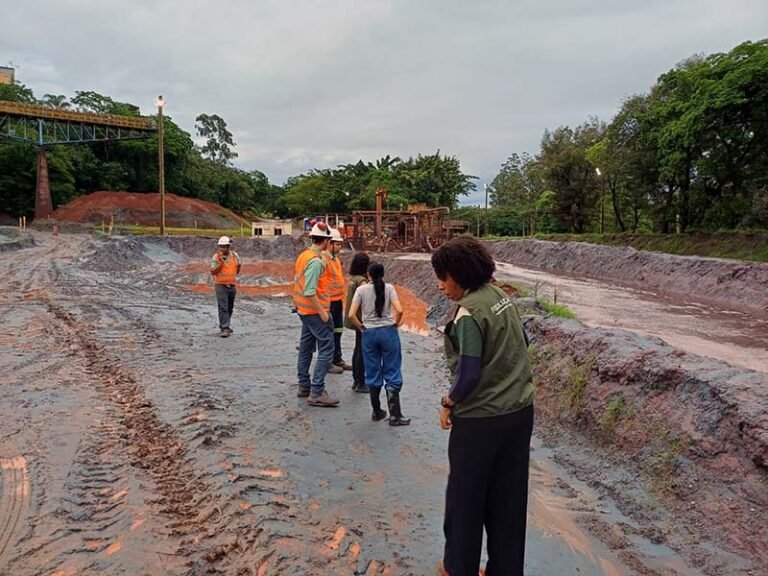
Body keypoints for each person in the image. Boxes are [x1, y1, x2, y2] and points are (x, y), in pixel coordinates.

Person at [431, 236, 534, 576]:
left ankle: (458, 566)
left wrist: (448, 402)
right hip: (519, 413)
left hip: (480, 422)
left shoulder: (468, 313)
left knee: (466, 498)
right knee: (509, 498)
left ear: (459, 275)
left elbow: (468, 373)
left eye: (443, 277)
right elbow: (522, 341)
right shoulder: (501, 297)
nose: (440, 285)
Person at [348, 262, 410, 426]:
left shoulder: (361, 290)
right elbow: (400, 310)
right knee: (392, 370)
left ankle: (377, 411)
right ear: (382, 274)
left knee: (372, 370)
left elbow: (351, 314)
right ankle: (395, 415)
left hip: (369, 333)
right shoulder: (389, 288)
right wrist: (395, 324)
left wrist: (361, 327)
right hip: (388, 332)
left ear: (368, 274)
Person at [293, 221, 340, 407]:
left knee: (306, 347)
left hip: (304, 310)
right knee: (327, 348)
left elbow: (297, 282)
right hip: (314, 311)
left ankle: (304, 386)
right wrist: (323, 313)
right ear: (326, 241)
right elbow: (310, 291)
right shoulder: (315, 262)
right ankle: (317, 391)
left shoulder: (304, 256)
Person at [324, 228, 352, 374]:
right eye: (338, 244)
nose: (340, 247)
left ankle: (337, 358)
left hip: (337, 300)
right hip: (328, 301)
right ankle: (328, 361)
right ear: (330, 243)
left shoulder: (335, 259)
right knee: (328, 332)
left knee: (338, 330)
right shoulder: (324, 259)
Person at [344, 251, 371, 393]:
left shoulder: (353, 279)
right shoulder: (362, 282)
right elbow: (366, 302)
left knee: (358, 348)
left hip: (353, 318)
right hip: (360, 319)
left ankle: (356, 380)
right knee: (362, 350)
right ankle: (361, 382)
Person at [210, 236, 241, 338]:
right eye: (220, 247)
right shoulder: (216, 257)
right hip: (220, 285)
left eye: (224, 247)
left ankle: (225, 324)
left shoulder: (235, 256)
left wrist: (232, 276)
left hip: (231, 285)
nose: (222, 249)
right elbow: (213, 271)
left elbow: (238, 266)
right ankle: (225, 328)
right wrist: (221, 263)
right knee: (223, 307)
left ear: (228, 247)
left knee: (229, 307)